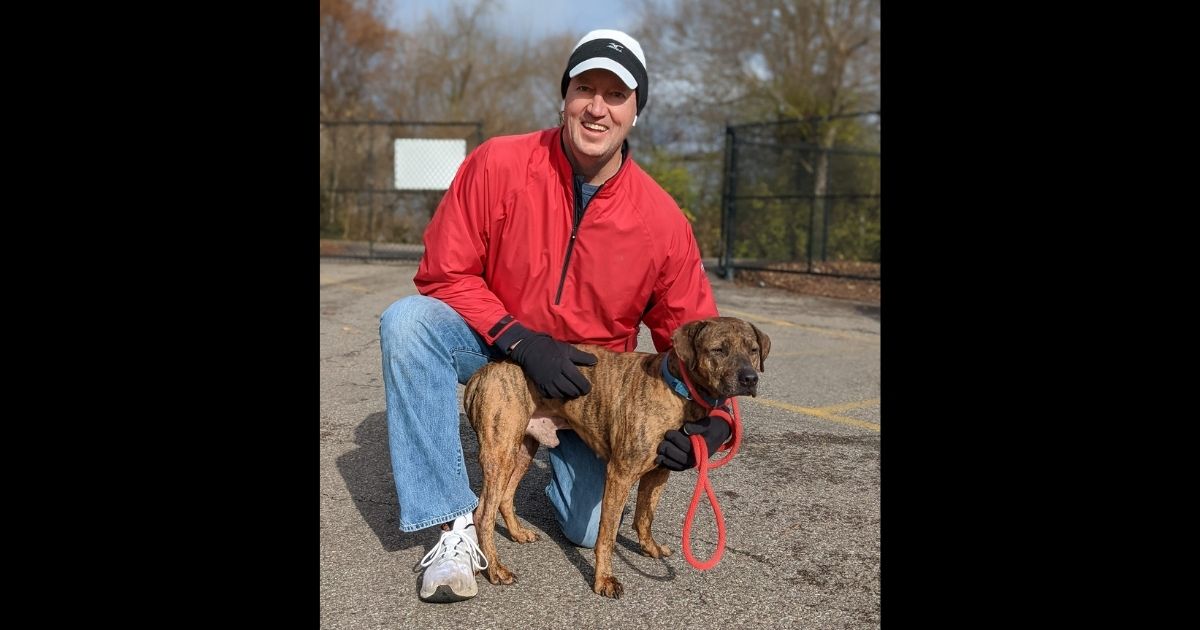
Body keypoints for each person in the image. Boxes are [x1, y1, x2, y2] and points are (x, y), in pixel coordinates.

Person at [379, 28, 733, 604]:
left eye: (616, 95)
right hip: (493, 336)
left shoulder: (663, 221)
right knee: (407, 323)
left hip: (584, 381)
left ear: (635, 111)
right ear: (564, 97)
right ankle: (453, 526)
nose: (597, 108)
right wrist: (518, 339)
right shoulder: (498, 162)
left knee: (592, 530)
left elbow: (698, 338)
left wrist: (717, 425)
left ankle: (542, 459)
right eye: (585, 89)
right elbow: (443, 273)